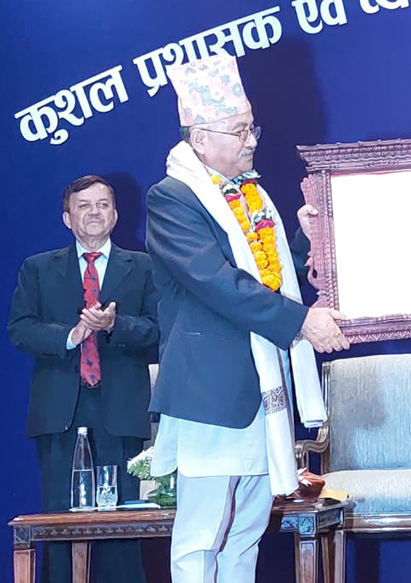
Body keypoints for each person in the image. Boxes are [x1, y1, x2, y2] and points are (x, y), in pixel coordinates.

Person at [145, 52, 347, 582]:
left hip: (262, 392)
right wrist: (301, 322)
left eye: (251, 127)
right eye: (238, 131)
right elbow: (219, 284)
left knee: (246, 533)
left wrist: (302, 236)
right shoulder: (172, 199)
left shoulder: (249, 194)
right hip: (212, 395)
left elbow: (267, 277)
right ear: (199, 139)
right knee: (201, 538)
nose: (251, 140)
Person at [8, 174, 159, 583]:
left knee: (122, 529)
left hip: (121, 409)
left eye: (102, 205)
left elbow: (159, 328)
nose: (94, 213)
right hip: (60, 411)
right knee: (61, 525)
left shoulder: (144, 266)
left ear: (116, 214)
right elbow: (20, 328)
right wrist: (70, 336)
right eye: (84, 206)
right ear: (67, 218)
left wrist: (114, 325)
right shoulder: (38, 268)